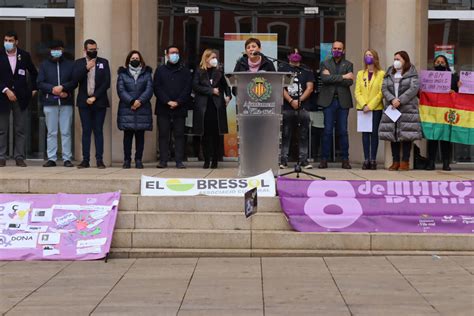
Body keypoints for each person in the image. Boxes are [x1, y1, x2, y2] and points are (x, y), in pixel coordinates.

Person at [0, 31, 38, 167]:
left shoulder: (25, 55)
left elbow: (34, 73)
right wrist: (5, 90)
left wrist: (34, 88)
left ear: (16, 42)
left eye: (10, 40)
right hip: (3, 98)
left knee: (20, 129)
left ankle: (19, 157)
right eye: (6, 40)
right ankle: (1, 157)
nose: (7, 43)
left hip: (21, 97)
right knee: (2, 129)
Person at [380, 51, 422, 171]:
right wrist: (392, 99)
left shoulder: (412, 72)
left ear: (405, 60)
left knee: (406, 135)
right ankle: (395, 161)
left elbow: (414, 88)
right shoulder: (389, 72)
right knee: (393, 135)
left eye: (398, 59)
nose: (396, 61)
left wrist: (401, 100)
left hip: (407, 108)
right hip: (392, 108)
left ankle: (405, 161)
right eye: (394, 59)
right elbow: (384, 88)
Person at [72, 39, 111, 169]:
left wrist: (94, 97)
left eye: (95, 49)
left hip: (99, 102)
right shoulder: (79, 63)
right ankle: (85, 160)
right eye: (91, 50)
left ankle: (99, 160)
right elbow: (74, 80)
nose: (93, 52)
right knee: (86, 131)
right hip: (84, 102)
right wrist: (86, 68)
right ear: (85, 50)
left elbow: (107, 82)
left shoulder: (103, 62)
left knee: (98, 130)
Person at [37, 40, 75, 168]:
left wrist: (64, 88)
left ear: (62, 50)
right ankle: (52, 158)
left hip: (66, 103)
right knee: (51, 132)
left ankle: (67, 158)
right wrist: (53, 89)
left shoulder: (70, 65)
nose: (56, 51)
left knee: (66, 132)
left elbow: (74, 82)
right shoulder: (44, 65)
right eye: (53, 48)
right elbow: (40, 82)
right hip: (49, 102)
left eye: (58, 48)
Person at [153, 45, 192, 169]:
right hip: (163, 107)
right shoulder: (160, 70)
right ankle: (163, 160)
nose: (175, 54)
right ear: (167, 55)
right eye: (172, 52)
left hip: (180, 108)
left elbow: (187, 88)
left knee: (179, 135)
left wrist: (178, 102)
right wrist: (167, 101)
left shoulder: (185, 70)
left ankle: (179, 160)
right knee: (163, 135)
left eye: (177, 52)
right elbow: (157, 88)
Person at [317, 41, 354, 169]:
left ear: (343, 50)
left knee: (343, 131)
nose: (337, 50)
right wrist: (343, 76)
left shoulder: (348, 64)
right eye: (335, 48)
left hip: (343, 102)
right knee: (327, 131)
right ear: (331, 50)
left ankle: (345, 159)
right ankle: (324, 159)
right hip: (329, 101)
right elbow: (325, 79)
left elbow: (349, 82)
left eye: (339, 48)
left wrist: (334, 77)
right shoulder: (325, 63)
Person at [192, 49, 231, 169]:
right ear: (206, 58)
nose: (215, 60)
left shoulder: (219, 71)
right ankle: (206, 159)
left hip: (217, 107)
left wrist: (228, 96)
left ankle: (215, 160)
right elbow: (195, 86)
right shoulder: (199, 71)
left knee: (216, 135)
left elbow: (226, 86)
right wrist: (211, 91)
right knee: (205, 135)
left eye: (216, 57)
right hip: (203, 107)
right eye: (213, 57)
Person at [278, 47, 315, 169]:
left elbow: (310, 87)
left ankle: (303, 160)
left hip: (303, 107)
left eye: (297, 53)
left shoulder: (306, 70)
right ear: (288, 56)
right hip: (287, 107)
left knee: (303, 134)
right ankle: (283, 160)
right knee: (286, 133)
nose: (295, 55)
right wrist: (290, 100)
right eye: (293, 53)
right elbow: (281, 87)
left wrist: (299, 100)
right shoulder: (283, 69)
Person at [116, 50, 153, 169]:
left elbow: (149, 90)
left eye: (137, 58)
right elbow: (121, 90)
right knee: (127, 137)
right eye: (132, 58)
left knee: (140, 137)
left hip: (142, 109)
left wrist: (139, 101)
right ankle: (127, 160)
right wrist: (132, 101)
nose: (135, 60)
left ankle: (138, 160)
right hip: (128, 109)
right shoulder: (123, 74)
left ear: (141, 60)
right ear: (128, 60)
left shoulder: (147, 74)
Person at [425, 55, 459, 171]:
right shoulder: (429, 77)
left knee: (446, 138)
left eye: (442, 62)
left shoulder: (454, 78)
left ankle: (446, 162)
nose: (440, 64)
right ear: (434, 63)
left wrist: (456, 90)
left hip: (447, 112)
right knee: (432, 137)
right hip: (433, 112)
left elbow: (460, 95)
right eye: (438, 62)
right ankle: (431, 162)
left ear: (446, 64)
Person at [354, 49, 385, 170]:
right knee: (365, 134)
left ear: (375, 57)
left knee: (374, 133)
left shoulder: (381, 74)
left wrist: (370, 106)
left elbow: (381, 92)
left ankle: (373, 159)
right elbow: (357, 91)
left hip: (375, 108)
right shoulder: (360, 73)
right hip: (362, 108)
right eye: (366, 55)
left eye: (370, 55)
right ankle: (366, 159)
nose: (368, 57)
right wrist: (363, 105)